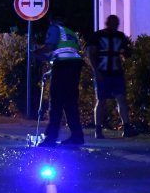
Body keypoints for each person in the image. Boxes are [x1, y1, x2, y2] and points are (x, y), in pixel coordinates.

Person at [34, 14, 85, 146]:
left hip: (63, 66)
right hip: (74, 66)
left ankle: (51, 138)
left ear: (51, 20)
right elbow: (64, 53)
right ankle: (77, 137)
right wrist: (51, 71)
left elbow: (50, 47)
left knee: (56, 103)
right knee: (70, 103)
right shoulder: (70, 32)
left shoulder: (54, 28)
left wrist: (36, 52)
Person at [86, 15, 137, 139]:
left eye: (116, 23)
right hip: (102, 72)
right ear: (107, 23)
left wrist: (127, 53)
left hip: (116, 73)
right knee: (101, 101)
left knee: (121, 99)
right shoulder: (97, 36)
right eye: (112, 22)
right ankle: (98, 129)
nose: (114, 25)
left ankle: (126, 127)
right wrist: (96, 71)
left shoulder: (120, 36)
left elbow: (126, 52)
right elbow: (91, 53)